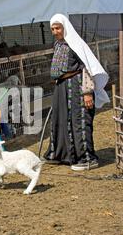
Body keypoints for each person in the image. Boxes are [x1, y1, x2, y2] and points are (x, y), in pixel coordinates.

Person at [43, 13, 109, 171]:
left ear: (65, 27)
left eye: (58, 28)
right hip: (62, 87)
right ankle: (60, 154)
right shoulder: (58, 44)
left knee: (79, 121)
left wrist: (87, 92)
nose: (55, 31)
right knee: (60, 119)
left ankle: (86, 159)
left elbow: (87, 67)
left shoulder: (76, 44)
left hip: (78, 86)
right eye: (52, 28)